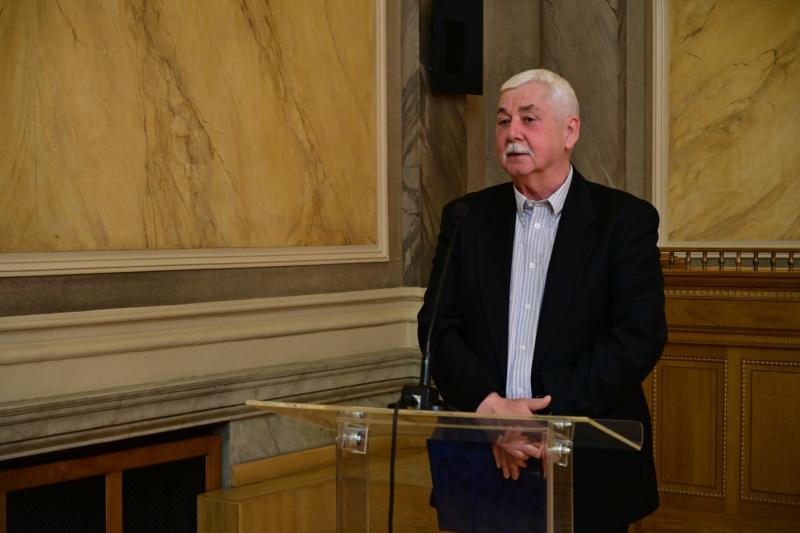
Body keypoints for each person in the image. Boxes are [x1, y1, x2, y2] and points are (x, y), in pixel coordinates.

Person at [418, 69, 666, 533]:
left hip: (586, 460)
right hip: (480, 460)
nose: (512, 132)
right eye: (503, 120)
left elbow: (637, 337)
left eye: (528, 119)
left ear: (570, 131)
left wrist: (542, 421)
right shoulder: (466, 217)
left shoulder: (624, 221)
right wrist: (491, 411)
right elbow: (437, 326)